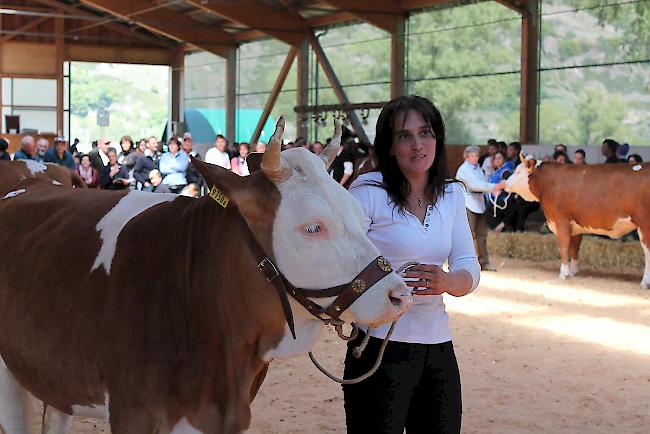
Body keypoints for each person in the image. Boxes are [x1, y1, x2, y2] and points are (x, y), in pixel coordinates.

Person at [344, 95, 480, 434]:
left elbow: (468, 265)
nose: (418, 144)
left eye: (426, 133)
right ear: (389, 146)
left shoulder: (451, 194)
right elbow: (339, 265)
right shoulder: (367, 193)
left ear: (438, 138)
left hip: (438, 347)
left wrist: (448, 282)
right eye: (404, 136)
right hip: (377, 348)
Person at [457, 145, 504, 272]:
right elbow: (475, 185)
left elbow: (483, 183)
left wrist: (492, 190)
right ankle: (464, 263)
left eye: (476, 155)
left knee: (482, 234)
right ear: (466, 157)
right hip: (468, 203)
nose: (475, 158)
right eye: (472, 156)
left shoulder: (478, 169)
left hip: (480, 202)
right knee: (468, 234)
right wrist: (494, 186)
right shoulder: (463, 170)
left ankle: (484, 261)